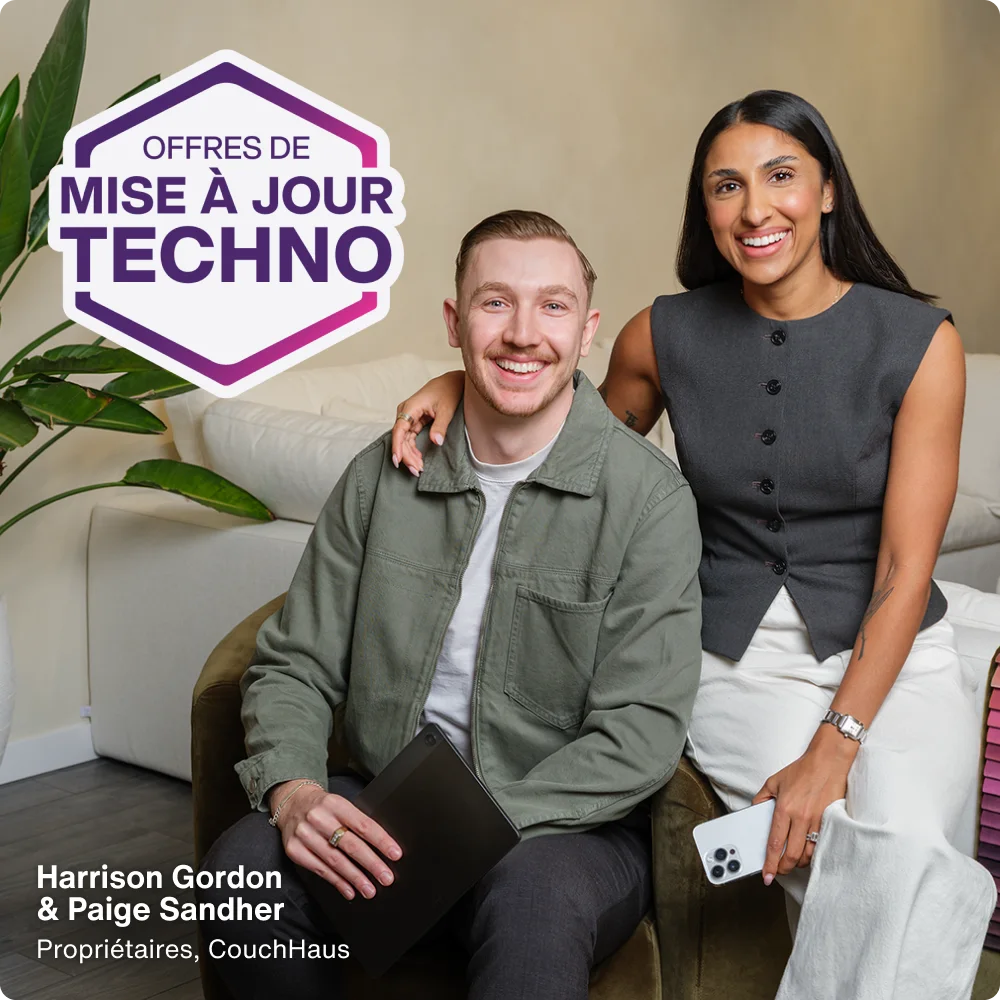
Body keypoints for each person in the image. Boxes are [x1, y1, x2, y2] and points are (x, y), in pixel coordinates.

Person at [391, 91, 998, 1000]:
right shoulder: (662, 334)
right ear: (704, 207)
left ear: (828, 191)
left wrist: (836, 745)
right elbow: (563, 431)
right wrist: (454, 375)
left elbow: (908, 569)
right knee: (837, 843)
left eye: (782, 176)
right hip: (723, 659)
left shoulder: (920, 341)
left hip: (894, 655)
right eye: (727, 186)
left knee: (903, 843)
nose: (756, 209)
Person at [197, 210, 704, 1000]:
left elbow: (639, 732)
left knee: (532, 899)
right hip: (388, 797)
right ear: (454, 321)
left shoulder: (648, 500)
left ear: (588, 329)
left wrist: (457, 832)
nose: (523, 333)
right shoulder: (383, 473)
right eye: (495, 302)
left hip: (561, 828)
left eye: (554, 306)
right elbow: (295, 662)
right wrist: (296, 790)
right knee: (243, 871)